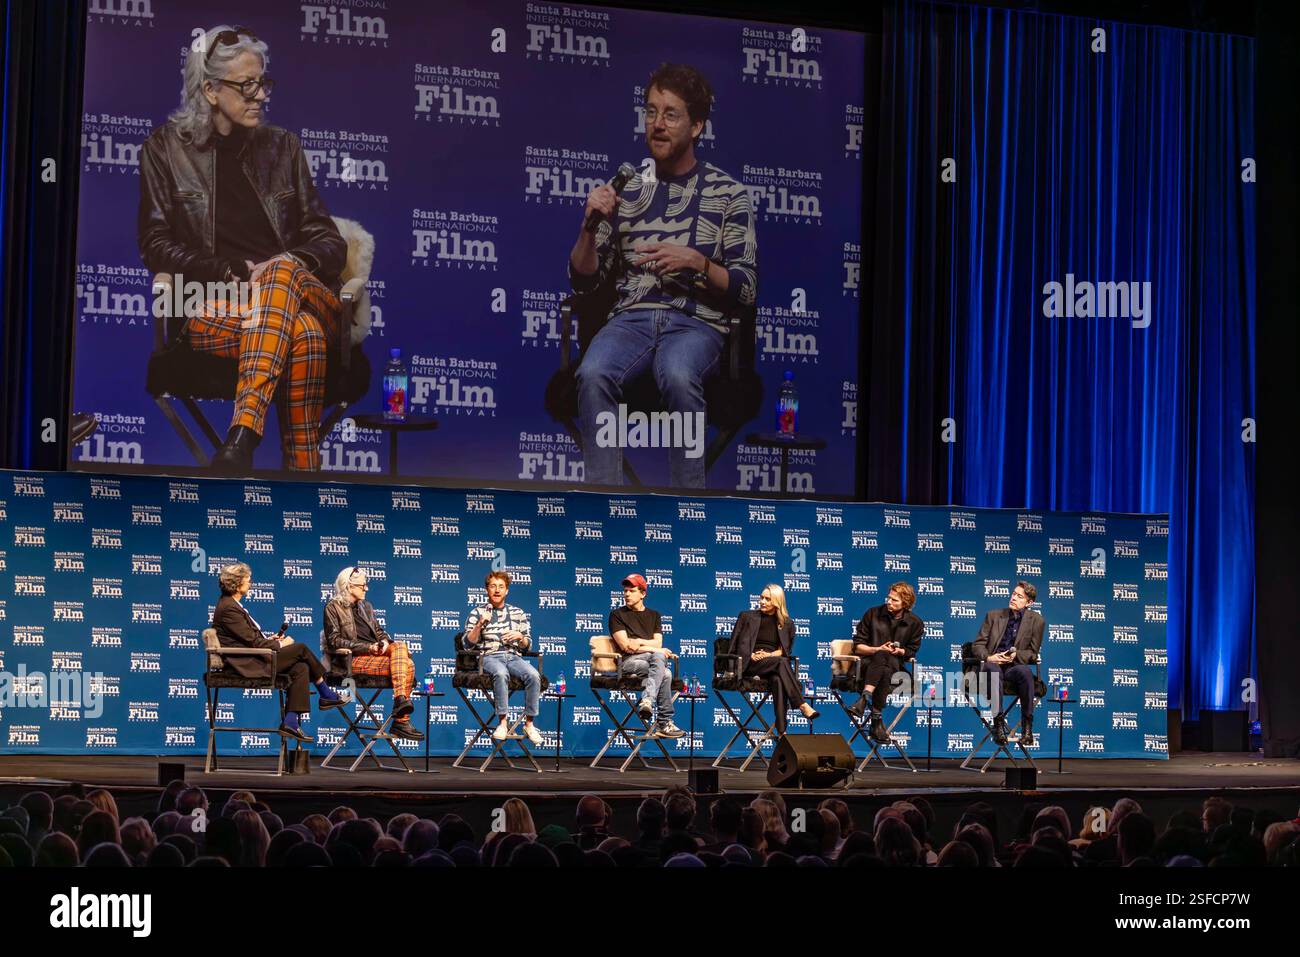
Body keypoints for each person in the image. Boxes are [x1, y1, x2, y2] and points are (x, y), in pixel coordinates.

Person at [139, 25, 348, 474]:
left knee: (281, 273)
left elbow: (330, 242)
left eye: (263, 82)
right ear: (210, 91)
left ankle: (243, 435)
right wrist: (225, 269)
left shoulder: (284, 147)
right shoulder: (164, 149)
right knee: (304, 335)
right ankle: (303, 482)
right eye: (247, 85)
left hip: (299, 292)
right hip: (216, 304)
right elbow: (155, 244)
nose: (261, 95)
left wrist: (291, 262)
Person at [569, 62, 758, 488]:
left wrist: (699, 263)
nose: (657, 124)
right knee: (593, 373)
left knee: (677, 373)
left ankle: (687, 510)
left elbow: (746, 288)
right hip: (630, 320)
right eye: (651, 112)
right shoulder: (626, 190)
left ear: (697, 126)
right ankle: (605, 505)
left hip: (696, 322)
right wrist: (588, 226)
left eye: (671, 114)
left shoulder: (729, 194)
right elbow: (583, 281)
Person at [211, 562, 347, 742]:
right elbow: (253, 643)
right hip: (245, 663)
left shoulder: (231, 605)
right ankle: (325, 692)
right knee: (300, 648)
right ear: (236, 584)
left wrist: (271, 639)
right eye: (248, 580)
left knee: (301, 668)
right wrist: (281, 644)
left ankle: (290, 722)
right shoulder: (229, 608)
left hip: (251, 656)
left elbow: (248, 639)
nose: (250, 583)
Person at [323, 566, 424, 741]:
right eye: (362, 585)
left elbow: (379, 631)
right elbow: (334, 641)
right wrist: (368, 647)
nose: (366, 588)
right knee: (408, 665)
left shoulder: (366, 606)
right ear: (349, 586)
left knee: (400, 646)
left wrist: (384, 642)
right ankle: (401, 720)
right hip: (351, 659)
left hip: (375, 653)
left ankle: (400, 701)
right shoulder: (332, 607)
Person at [464, 571, 545, 747]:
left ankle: (529, 724)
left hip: (513, 656)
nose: (497, 590)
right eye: (493, 586)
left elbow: (527, 645)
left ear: (507, 590)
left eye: (501, 587)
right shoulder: (477, 612)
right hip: (489, 656)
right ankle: (502, 723)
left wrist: (520, 637)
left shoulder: (518, 612)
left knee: (533, 675)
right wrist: (480, 624)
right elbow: (467, 644)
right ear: (487, 589)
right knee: (501, 673)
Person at [727, 584, 819, 733]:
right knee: (782, 663)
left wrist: (768, 655)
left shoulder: (787, 623)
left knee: (778, 680)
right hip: (750, 663)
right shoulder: (747, 616)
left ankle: (782, 733)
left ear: (777, 602)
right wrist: (750, 654)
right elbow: (734, 644)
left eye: (768, 599)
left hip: (772, 664)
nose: (762, 602)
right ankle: (802, 704)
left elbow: (784, 651)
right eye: (762, 598)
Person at [609, 574, 686, 738]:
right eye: (625, 591)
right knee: (662, 663)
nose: (626, 594)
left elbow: (658, 643)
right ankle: (664, 722)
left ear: (643, 594)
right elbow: (625, 646)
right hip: (627, 662)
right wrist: (653, 648)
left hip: (650, 662)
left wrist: (638, 641)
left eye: (631, 591)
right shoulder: (617, 615)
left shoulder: (654, 615)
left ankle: (648, 702)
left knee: (666, 673)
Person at [846, 583, 925, 743]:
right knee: (883, 656)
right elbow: (857, 647)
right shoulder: (873, 614)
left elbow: (912, 651)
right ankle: (876, 720)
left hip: (895, 667)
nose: (889, 602)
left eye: (894, 600)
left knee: (887, 662)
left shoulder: (915, 623)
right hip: (866, 666)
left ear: (905, 603)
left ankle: (864, 699)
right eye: (889, 598)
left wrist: (900, 651)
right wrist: (877, 649)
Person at [971, 582, 1045, 746]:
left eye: (1019, 596)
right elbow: (977, 645)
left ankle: (1027, 729)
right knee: (993, 669)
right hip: (991, 666)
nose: (1014, 598)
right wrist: (990, 657)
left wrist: (1016, 655)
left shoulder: (1037, 621)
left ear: (1029, 602)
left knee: (1025, 672)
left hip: (1013, 667)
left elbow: (1033, 653)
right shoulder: (993, 616)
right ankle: (998, 725)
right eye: (1013, 594)